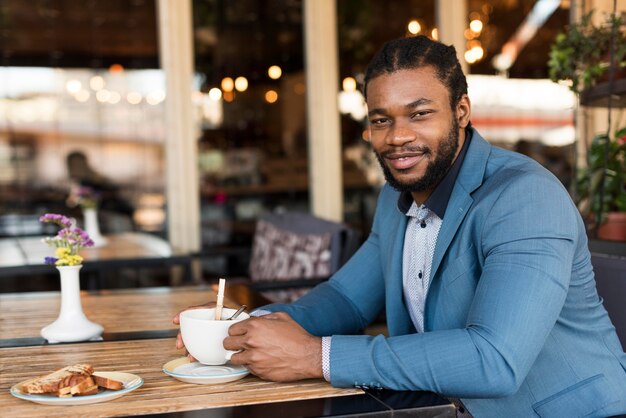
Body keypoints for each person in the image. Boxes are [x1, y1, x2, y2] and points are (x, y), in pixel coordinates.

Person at [174, 36, 626, 417]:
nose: (398, 137)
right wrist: (241, 329)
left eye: (419, 114)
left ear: (462, 111)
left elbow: (494, 360)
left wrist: (316, 356)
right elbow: (346, 298)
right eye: (381, 120)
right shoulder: (396, 198)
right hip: (438, 409)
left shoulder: (523, 197)